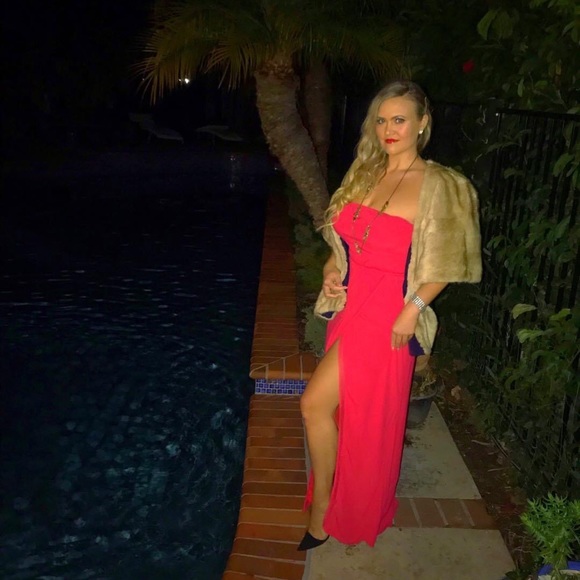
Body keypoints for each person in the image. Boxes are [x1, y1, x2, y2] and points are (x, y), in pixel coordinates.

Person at [298, 80, 482, 550]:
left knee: (321, 406)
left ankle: (327, 510)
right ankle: (332, 500)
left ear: (422, 124)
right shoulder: (365, 172)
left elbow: (449, 264)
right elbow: (343, 242)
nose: (388, 129)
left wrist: (412, 310)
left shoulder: (442, 185)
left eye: (399, 119)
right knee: (342, 411)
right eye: (381, 120)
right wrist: (331, 269)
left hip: (389, 316)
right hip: (351, 306)